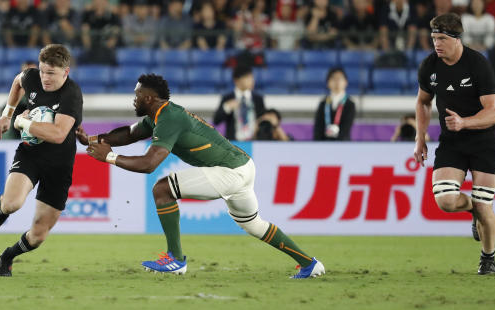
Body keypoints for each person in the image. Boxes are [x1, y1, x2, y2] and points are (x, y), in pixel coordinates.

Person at [81, 74, 324, 277]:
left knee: (162, 189)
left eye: (136, 96)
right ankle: (309, 263)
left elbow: (149, 164)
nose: (133, 100)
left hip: (229, 171)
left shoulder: (169, 118)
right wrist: (92, 139)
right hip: (242, 166)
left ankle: (175, 259)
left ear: (148, 98)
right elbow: (128, 134)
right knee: (253, 224)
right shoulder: (160, 115)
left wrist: (109, 157)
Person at [0, 44, 84, 277]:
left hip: (59, 164)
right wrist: (7, 115)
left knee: (38, 235)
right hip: (31, 154)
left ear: (65, 72)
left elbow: (58, 135)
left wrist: (23, 123)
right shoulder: (32, 77)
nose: (45, 78)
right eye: (43, 71)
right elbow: (18, 81)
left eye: (51, 73)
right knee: (12, 204)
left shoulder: (72, 94)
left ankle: (8, 255)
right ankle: (0, 213)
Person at [414, 13, 495, 275]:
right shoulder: (429, 66)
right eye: (433, 38)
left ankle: (488, 257)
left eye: (441, 39)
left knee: (486, 207)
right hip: (452, 141)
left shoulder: (477, 64)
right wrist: (420, 137)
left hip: (484, 141)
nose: (436, 44)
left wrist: (464, 122)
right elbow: (423, 102)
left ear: (456, 39)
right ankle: (475, 209)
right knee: (446, 201)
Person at [213, 65, 265, 141]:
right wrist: (227, 107)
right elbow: (216, 120)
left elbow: (263, 120)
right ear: (237, 80)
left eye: (252, 77)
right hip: (233, 144)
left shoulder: (258, 99)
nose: (252, 80)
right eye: (248, 77)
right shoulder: (228, 98)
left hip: (254, 143)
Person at [313, 67, 356, 140]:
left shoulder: (350, 104)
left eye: (339, 78)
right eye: (333, 79)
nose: (337, 82)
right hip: (323, 145)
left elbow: (346, 128)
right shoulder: (323, 103)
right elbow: (318, 127)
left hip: (343, 144)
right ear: (328, 83)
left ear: (345, 82)